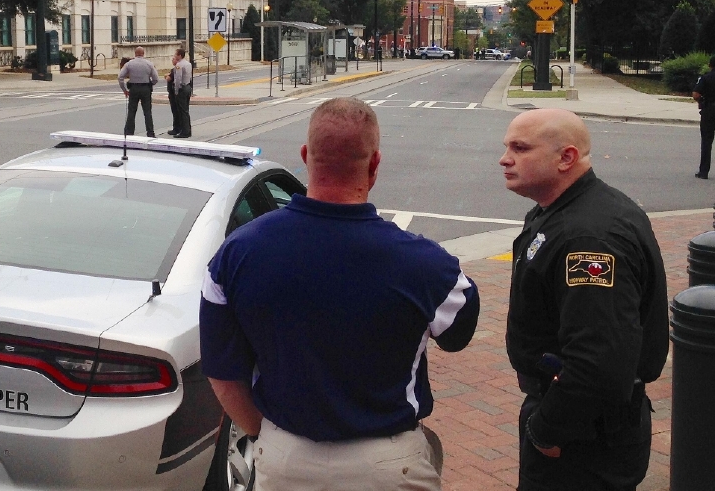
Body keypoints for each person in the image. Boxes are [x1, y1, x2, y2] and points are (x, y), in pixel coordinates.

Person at [200, 97, 480, 491]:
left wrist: (267, 435)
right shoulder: (428, 265)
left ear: (305, 156)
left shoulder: (236, 255)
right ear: (375, 164)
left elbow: (223, 374)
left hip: (285, 458)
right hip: (389, 465)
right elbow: (457, 335)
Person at [498, 109, 668, 491]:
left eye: (520, 148)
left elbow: (599, 359)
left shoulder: (588, 238)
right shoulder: (564, 212)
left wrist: (548, 430)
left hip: (585, 439)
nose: (505, 158)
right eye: (507, 146)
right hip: (581, 424)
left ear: (567, 158)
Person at [117, 46, 159, 137]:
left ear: (135, 54)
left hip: (134, 89)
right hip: (145, 89)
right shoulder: (149, 64)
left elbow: (120, 77)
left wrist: (125, 89)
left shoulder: (129, 64)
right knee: (147, 112)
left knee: (131, 111)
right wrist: (150, 84)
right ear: (143, 54)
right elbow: (156, 78)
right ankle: (150, 132)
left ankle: (129, 132)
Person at [692, 55, 715, 179]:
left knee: (707, 141)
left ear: (710, 65)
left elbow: (695, 94)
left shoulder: (705, 78)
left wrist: (702, 101)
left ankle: (704, 171)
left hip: (709, 110)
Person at [171, 48, 193, 138]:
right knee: (186, 110)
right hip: (187, 86)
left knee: (182, 110)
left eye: (176, 54)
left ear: (180, 55)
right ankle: (188, 129)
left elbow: (178, 79)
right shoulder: (188, 64)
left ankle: (185, 131)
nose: (175, 56)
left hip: (182, 89)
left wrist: (176, 90)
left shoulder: (179, 65)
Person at [165, 53, 180, 136]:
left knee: (175, 111)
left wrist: (166, 76)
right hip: (175, 92)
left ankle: (176, 128)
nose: (172, 60)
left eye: (173, 59)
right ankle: (178, 127)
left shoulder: (175, 69)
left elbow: (168, 78)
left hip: (174, 92)